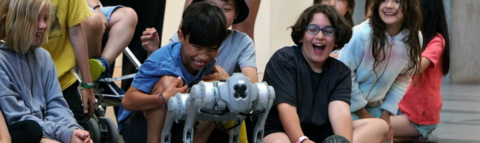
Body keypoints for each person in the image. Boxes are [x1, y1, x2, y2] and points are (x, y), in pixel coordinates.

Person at [262, 4, 389, 143]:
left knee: (380, 126)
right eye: (313, 29)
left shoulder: (341, 71)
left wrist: (343, 141)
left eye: (328, 31)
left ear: (336, 41)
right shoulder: (284, 59)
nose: (320, 36)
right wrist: (303, 141)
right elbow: (287, 109)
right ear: (301, 36)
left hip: (324, 136)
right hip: (282, 132)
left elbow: (339, 112)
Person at [119, 3, 229, 143]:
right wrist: (162, 99)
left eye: (212, 48)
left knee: (216, 92)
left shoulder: (208, 63)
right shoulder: (161, 61)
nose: (203, 56)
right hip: (138, 126)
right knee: (168, 83)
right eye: (197, 47)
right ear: (181, 37)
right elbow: (127, 101)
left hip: (176, 125)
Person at [0, 0, 93, 142]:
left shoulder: (44, 57)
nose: (43, 25)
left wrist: (73, 130)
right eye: (36, 19)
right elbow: (17, 117)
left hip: (47, 129)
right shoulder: (2, 61)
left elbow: (57, 104)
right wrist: (63, 134)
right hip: (22, 133)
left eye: (45, 18)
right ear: (16, 20)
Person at [338, 0, 423, 142]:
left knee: (383, 134)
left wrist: (386, 113)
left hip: (374, 106)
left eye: (397, 1)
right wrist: (363, 113)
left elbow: (403, 77)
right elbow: (344, 73)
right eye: (383, 0)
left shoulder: (414, 38)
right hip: (344, 105)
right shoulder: (362, 34)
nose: (389, 5)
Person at [144, 0, 258, 83]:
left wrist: (227, 80)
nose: (219, 14)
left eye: (227, 9)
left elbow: (253, 84)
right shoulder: (186, 36)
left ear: (236, 13)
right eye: (197, 47)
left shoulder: (243, 42)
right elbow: (159, 74)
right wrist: (153, 52)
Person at [392, 0, 451, 142]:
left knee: (376, 130)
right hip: (401, 109)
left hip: (419, 118)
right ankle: (419, 138)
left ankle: (421, 134)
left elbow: (417, 67)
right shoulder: (408, 36)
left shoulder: (437, 41)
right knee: (376, 132)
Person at [41, 0, 96, 131]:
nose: (43, 26)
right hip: (22, 83)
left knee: (83, 134)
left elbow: (76, 32)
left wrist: (87, 84)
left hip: (62, 82)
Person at [82, 0, 138, 81]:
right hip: (70, 11)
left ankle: (102, 66)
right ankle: (93, 76)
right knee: (94, 20)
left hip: (90, 7)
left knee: (129, 15)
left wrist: (98, 10)